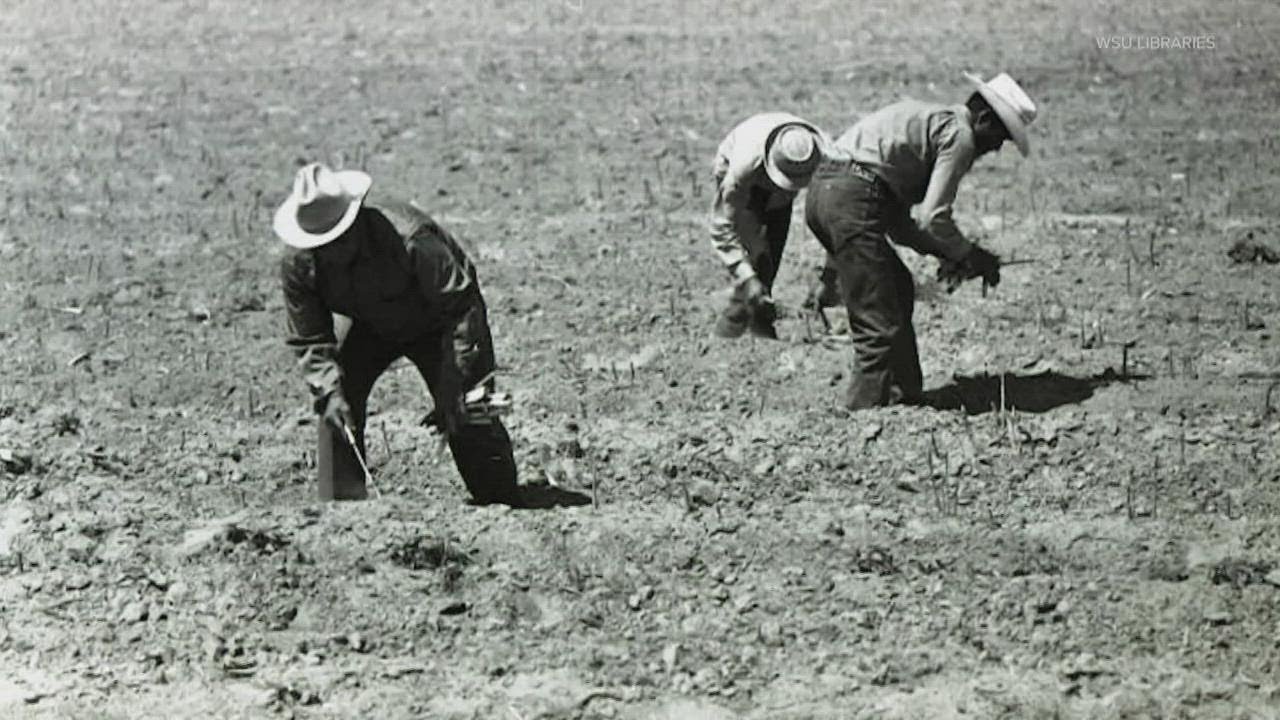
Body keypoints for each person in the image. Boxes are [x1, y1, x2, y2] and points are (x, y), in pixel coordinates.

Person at [274, 162, 520, 504]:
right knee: (335, 399)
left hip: (438, 323)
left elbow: (462, 305)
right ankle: (343, 511)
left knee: (465, 405)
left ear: (355, 222)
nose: (329, 252)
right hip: (368, 326)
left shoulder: (410, 237)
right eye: (320, 244)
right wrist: (328, 389)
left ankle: (501, 499)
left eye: (336, 240)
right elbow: (310, 339)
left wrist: (458, 379)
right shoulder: (300, 264)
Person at [804, 72, 1038, 409]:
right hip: (851, 199)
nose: (997, 148)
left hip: (825, 194)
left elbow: (900, 227)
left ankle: (904, 398)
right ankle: (860, 415)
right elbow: (933, 216)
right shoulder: (960, 136)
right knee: (878, 317)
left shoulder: (929, 122)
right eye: (1000, 136)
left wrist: (949, 253)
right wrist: (969, 254)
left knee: (896, 287)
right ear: (985, 118)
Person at [708, 113, 831, 339]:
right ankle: (734, 327)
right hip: (744, 177)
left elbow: (838, 218)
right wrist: (746, 276)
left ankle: (756, 321)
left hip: (773, 179)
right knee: (755, 253)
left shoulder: (822, 153)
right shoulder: (742, 169)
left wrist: (831, 274)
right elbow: (722, 226)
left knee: (770, 255)